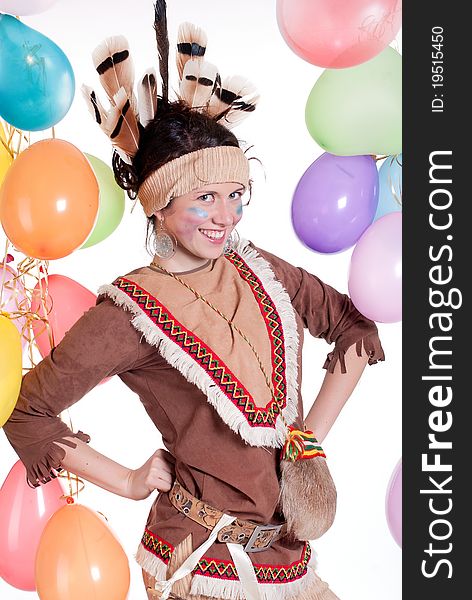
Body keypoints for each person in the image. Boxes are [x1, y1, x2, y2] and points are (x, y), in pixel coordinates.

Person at [2, 3, 385, 599]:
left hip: (288, 555)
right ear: (158, 204)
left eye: (236, 195)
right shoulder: (128, 313)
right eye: (205, 197)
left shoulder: (259, 268)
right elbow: (27, 412)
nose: (226, 217)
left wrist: (306, 441)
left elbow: (351, 323)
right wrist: (128, 481)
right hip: (199, 566)